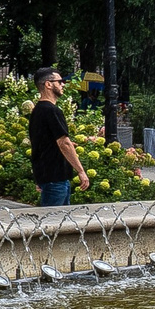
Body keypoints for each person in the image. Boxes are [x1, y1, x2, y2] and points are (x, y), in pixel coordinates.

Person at [28, 69, 88, 206]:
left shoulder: (38, 110)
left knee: (59, 223)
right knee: (53, 222)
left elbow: (41, 142)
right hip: (55, 178)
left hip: (49, 177)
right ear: (48, 84)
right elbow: (63, 143)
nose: (63, 85)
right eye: (60, 81)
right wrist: (81, 171)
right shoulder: (52, 111)